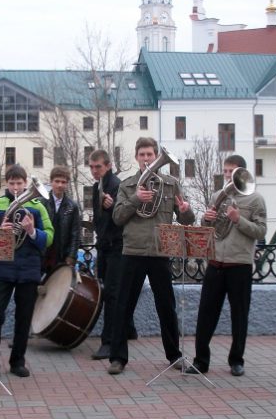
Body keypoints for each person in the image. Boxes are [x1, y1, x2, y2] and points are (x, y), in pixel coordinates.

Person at [107, 138, 196, 375]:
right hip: (133, 251)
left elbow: (187, 220)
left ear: (156, 156)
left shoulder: (170, 184)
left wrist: (187, 212)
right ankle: (117, 357)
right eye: (142, 155)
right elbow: (117, 217)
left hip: (160, 251)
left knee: (167, 306)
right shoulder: (127, 185)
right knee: (123, 306)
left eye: (150, 154)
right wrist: (137, 199)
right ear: (137, 157)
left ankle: (174, 355)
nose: (146, 159)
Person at [191, 155, 267, 376]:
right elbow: (209, 228)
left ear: (242, 172)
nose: (227, 175)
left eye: (231, 171)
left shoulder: (255, 200)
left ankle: (236, 360)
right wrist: (206, 218)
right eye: (225, 171)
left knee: (239, 315)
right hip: (215, 263)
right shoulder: (217, 196)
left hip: (239, 264)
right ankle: (201, 360)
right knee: (205, 314)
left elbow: (261, 231)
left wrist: (238, 219)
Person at [0, 165, 53, 381]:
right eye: (12, 183)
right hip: (3, 267)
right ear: (6, 184)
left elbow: (48, 237)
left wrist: (31, 231)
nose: (16, 187)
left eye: (19, 183)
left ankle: (17, 361)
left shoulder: (37, 206)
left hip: (28, 269)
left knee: (23, 317)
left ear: (25, 183)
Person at [88, 149, 136, 360]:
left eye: (98, 166)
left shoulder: (117, 185)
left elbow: (121, 216)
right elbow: (99, 219)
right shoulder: (96, 186)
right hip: (104, 245)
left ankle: (108, 342)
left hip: (117, 246)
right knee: (110, 291)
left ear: (108, 165)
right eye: (91, 167)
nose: (94, 171)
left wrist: (112, 205)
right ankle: (128, 329)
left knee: (112, 294)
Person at [42, 165, 82, 275]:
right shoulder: (41, 203)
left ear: (67, 184)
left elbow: (76, 235)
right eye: (57, 181)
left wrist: (71, 256)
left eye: (63, 182)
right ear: (51, 182)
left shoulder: (72, 206)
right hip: (43, 254)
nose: (60, 185)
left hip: (62, 255)